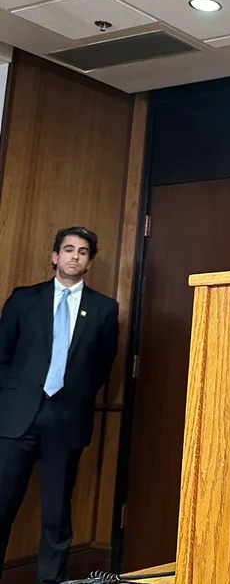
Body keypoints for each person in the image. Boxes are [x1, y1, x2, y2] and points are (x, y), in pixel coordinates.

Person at [0, 227, 120, 584]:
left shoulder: (104, 309)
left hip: (66, 419)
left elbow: (102, 365)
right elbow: (3, 354)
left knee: (56, 513)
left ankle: (51, 580)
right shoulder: (24, 299)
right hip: (17, 417)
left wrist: (75, 397)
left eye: (82, 252)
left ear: (89, 262)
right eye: (68, 249)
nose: (74, 256)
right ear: (55, 256)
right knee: (2, 504)